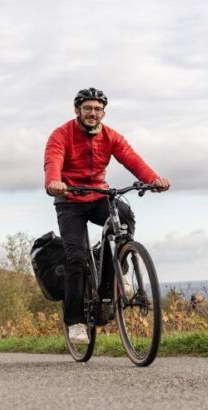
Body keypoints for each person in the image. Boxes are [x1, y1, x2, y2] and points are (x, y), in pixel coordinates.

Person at [44, 87, 171, 345]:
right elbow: (53, 160)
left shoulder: (111, 136)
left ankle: (119, 269)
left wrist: (153, 180)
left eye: (98, 109)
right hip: (69, 200)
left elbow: (132, 159)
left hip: (98, 195)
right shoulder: (61, 134)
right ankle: (76, 322)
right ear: (77, 110)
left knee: (124, 216)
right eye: (88, 108)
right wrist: (54, 182)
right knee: (76, 259)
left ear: (103, 113)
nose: (93, 113)